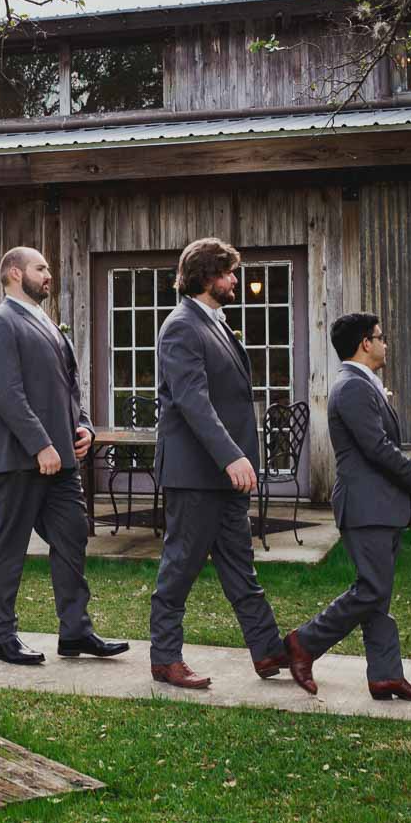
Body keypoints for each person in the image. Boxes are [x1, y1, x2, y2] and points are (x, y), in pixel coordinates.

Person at [284, 312, 411, 701]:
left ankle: (386, 675)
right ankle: (303, 644)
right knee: (372, 590)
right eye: (381, 337)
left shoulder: (364, 385)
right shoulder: (353, 388)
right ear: (365, 343)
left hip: (381, 507)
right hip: (366, 506)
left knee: (378, 594)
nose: (385, 343)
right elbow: (377, 448)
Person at [0, 246, 128, 665]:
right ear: (12, 273)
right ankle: (1, 637)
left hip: (61, 459)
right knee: (10, 544)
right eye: (40, 267)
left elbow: (70, 388)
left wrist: (84, 426)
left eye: (48, 267)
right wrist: (40, 444)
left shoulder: (48, 323)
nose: (48, 274)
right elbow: (6, 392)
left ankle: (75, 631)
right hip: (21, 458)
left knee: (73, 534)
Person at [148, 238, 289, 689]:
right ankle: (165, 659)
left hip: (225, 477)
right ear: (208, 276)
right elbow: (193, 401)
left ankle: (268, 652)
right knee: (180, 566)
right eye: (228, 273)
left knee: (239, 566)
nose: (234, 281)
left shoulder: (217, 324)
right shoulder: (181, 326)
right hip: (195, 475)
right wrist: (231, 455)